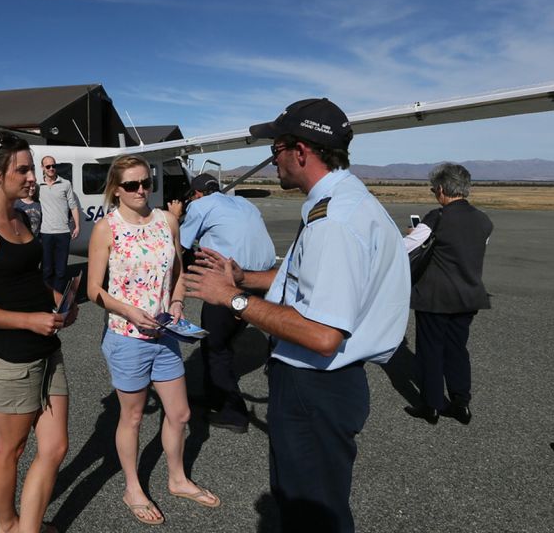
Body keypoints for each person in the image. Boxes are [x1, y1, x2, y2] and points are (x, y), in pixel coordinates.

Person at [185, 98, 409, 533]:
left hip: (315, 385)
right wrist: (244, 277)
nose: (274, 164)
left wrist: (231, 298)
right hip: (325, 387)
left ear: (301, 151)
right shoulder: (347, 203)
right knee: (314, 507)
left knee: (311, 516)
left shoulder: (334, 223)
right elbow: (307, 282)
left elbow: (324, 334)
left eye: (277, 151)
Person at [0, 132, 78, 533]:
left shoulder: (23, 217)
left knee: (56, 446)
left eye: (32, 168)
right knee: (12, 449)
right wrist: (29, 320)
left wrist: (59, 297)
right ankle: (7, 525)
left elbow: (30, 278)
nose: (32, 177)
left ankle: (29, 527)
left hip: (48, 348)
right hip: (12, 362)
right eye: (23, 169)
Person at [87, 154, 220, 526]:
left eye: (146, 182)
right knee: (131, 417)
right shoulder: (106, 228)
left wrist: (177, 300)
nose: (141, 190)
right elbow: (93, 289)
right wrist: (128, 311)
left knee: (180, 413)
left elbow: (177, 269)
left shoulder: (167, 220)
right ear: (116, 189)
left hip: (165, 335)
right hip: (127, 336)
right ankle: (132, 487)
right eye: (132, 185)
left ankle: (177, 479)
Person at [170, 173, 276, 433]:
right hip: (260, 281)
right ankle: (215, 396)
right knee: (222, 342)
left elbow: (178, 243)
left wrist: (173, 216)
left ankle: (234, 413)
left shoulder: (200, 206)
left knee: (216, 348)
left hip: (228, 283)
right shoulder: (244, 203)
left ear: (196, 194)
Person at [403, 163, 492, 425]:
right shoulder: (483, 220)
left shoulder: (437, 217)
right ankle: (461, 403)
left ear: (441, 189)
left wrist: (413, 233)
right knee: (457, 349)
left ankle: (431, 405)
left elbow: (407, 246)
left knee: (431, 351)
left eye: (434, 189)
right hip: (468, 296)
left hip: (435, 297)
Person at [39, 156, 81, 294]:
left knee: (61, 270)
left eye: (53, 166)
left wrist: (77, 225)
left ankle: (58, 298)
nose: (51, 169)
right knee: (46, 269)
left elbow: (73, 206)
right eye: (48, 166)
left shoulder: (66, 184)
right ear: (42, 168)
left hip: (63, 233)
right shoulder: (38, 186)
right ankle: (46, 297)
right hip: (45, 233)